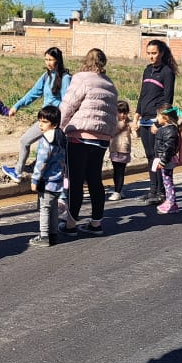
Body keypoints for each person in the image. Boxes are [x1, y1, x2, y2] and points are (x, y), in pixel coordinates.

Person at [58, 48, 119, 235]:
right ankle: (96, 223)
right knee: (94, 180)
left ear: (86, 61)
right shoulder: (110, 84)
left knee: (75, 181)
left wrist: (57, 127)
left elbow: (69, 104)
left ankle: (71, 224)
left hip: (80, 136)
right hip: (102, 139)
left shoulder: (81, 78)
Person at [2, 47, 71, 182]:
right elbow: (33, 93)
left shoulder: (65, 78)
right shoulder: (46, 76)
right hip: (44, 120)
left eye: (51, 59)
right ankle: (19, 172)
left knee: (51, 151)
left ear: (58, 60)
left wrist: (61, 124)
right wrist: (17, 106)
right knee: (26, 141)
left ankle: (59, 181)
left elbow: (67, 103)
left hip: (55, 122)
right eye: (46, 59)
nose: (48, 62)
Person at [135, 39, 177, 205]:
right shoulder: (147, 71)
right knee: (149, 156)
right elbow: (143, 94)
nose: (151, 56)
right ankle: (152, 189)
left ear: (161, 53)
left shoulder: (167, 72)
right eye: (149, 53)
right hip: (144, 119)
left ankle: (160, 192)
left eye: (154, 53)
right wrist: (137, 115)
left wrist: (159, 122)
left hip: (156, 120)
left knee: (157, 157)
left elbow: (168, 100)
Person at [29, 105, 68, 248]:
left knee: (44, 208)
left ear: (54, 123)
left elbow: (41, 162)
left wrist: (35, 180)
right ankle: (53, 233)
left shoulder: (46, 140)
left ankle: (44, 235)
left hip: (46, 182)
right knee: (53, 209)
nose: (40, 124)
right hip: (58, 181)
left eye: (44, 121)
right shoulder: (61, 137)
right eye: (40, 121)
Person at [150, 105, 182, 214]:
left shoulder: (170, 130)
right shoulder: (166, 129)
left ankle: (171, 203)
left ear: (166, 117)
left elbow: (168, 147)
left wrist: (163, 161)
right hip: (163, 158)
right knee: (167, 181)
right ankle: (170, 201)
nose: (156, 118)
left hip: (166, 160)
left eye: (158, 116)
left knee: (168, 182)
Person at [108, 100, 132, 201]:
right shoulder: (113, 122)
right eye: (120, 112)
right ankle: (118, 189)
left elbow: (134, 132)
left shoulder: (128, 123)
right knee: (115, 171)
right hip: (114, 149)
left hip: (123, 150)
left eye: (125, 113)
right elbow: (111, 132)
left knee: (120, 171)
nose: (122, 115)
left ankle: (117, 191)